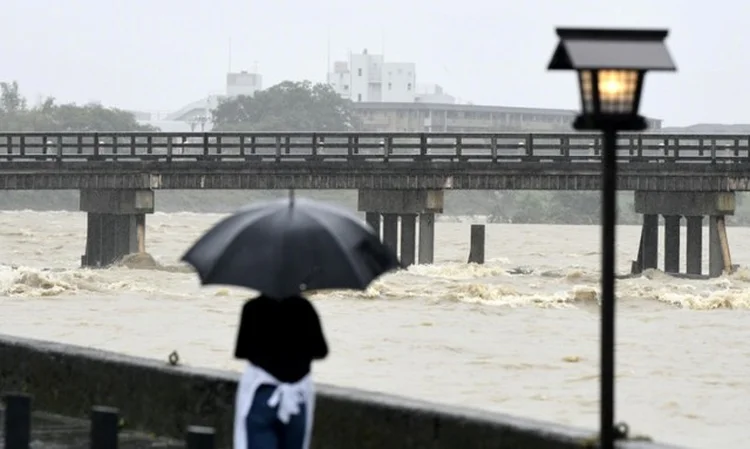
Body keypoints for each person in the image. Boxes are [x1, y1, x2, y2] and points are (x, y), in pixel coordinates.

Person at [233, 294, 329, 449]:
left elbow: (241, 351)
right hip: (296, 399)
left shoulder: (252, 307)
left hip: (262, 395)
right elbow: (321, 351)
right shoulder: (304, 308)